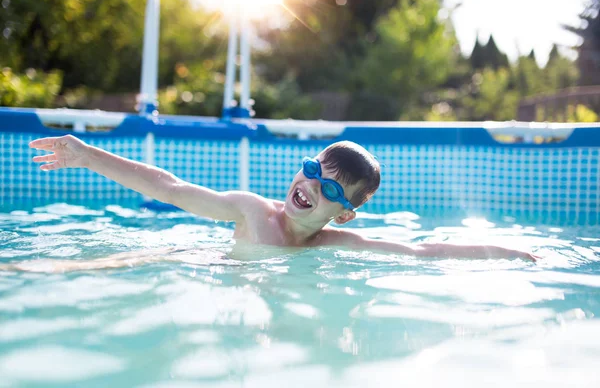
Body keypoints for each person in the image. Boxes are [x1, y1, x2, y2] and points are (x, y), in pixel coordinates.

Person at [28, 135, 536, 261]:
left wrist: (509, 252)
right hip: (208, 267)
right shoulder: (252, 211)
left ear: (346, 210)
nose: (312, 186)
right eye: (314, 170)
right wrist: (87, 154)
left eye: (331, 189)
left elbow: (423, 253)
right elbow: (170, 187)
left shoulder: (337, 243)